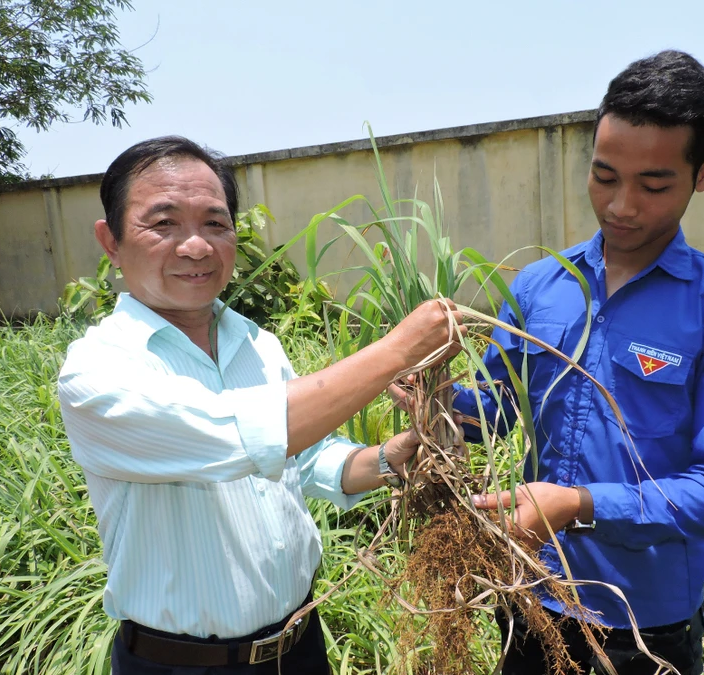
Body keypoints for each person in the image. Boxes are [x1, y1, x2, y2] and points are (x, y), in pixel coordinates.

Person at [57, 136, 466, 674]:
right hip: (182, 664)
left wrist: (390, 457)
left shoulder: (255, 343)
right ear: (110, 241)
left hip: (299, 648)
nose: (196, 246)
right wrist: (396, 350)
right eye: (164, 224)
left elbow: (307, 458)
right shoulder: (98, 371)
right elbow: (239, 435)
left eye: (215, 223)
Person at [453, 50, 704, 674]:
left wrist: (579, 504)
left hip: (644, 627)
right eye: (603, 176)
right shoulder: (541, 285)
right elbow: (490, 414)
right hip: (532, 598)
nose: (622, 205)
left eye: (653, 185)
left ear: (703, 173)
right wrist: (436, 399)